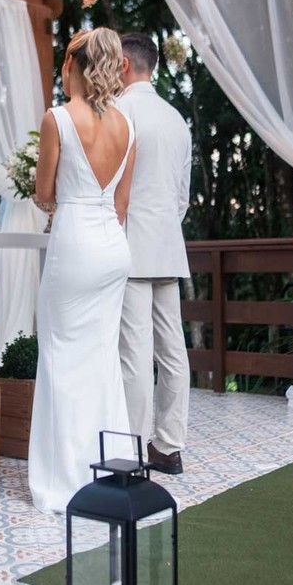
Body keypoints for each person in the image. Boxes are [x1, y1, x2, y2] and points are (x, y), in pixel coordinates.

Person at [28, 29, 136, 514]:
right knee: (100, 362)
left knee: (59, 360)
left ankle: (64, 481)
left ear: (73, 64)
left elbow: (43, 192)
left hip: (74, 245)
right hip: (114, 248)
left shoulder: (57, 118)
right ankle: (110, 466)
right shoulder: (127, 126)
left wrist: (59, 199)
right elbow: (121, 204)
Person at [115, 33, 192, 475]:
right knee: (173, 351)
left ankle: (131, 448)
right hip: (167, 244)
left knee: (135, 353)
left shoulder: (121, 112)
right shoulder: (176, 119)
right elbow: (182, 197)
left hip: (130, 246)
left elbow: (112, 187)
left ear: (123, 65)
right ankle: (168, 447)